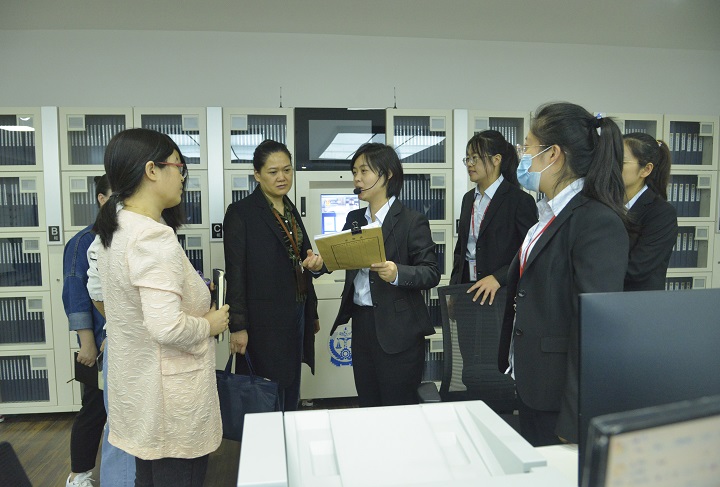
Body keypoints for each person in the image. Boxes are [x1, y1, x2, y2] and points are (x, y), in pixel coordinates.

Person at [94, 128, 229, 487]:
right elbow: (167, 327)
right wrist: (211, 324)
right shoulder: (152, 236)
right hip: (170, 401)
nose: (182, 177)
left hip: (141, 393)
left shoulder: (118, 227)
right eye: (178, 167)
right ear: (152, 170)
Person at [498, 102, 629, 446]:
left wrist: (574, 421)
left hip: (561, 402)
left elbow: (594, 331)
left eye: (527, 147)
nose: (522, 157)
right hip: (535, 384)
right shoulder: (549, 214)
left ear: (553, 154)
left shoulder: (596, 221)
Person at [330, 142, 441, 407]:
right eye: (354, 172)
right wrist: (320, 263)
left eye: (364, 171)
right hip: (362, 323)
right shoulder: (355, 218)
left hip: (399, 329)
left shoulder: (412, 221)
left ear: (387, 174)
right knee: (368, 403)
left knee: (398, 407)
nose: (357, 179)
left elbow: (431, 272)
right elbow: (342, 256)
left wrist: (397, 273)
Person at [223, 139, 322, 412]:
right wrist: (238, 327)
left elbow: (302, 259)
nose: (282, 177)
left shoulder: (290, 209)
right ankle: (268, 436)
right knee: (264, 391)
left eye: (287, 170)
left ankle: (288, 426)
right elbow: (236, 274)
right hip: (262, 321)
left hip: (296, 311)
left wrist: (311, 310)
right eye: (273, 171)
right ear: (257, 175)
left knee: (291, 383)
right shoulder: (241, 213)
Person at [450, 130, 538, 304]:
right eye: (467, 159)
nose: (469, 164)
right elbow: (461, 251)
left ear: (496, 159)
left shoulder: (519, 200)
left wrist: (499, 278)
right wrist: (454, 291)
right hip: (467, 288)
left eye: (475, 158)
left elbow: (529, 252)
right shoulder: (468, 199)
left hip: (500, 291)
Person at [62, 174, 111, 487]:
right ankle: (78, 475)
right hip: (100, 341)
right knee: (94, 409)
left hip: (127, 341)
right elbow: (76, 294)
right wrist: (87, 343)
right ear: (101, 199)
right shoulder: (83, 241)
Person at [622, 133, 678, 291]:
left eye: (621, 161)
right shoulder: (606, 204)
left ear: (646, 169)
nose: (611, 166)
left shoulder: (661, 213)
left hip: (638, 301)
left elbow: (636, 269)